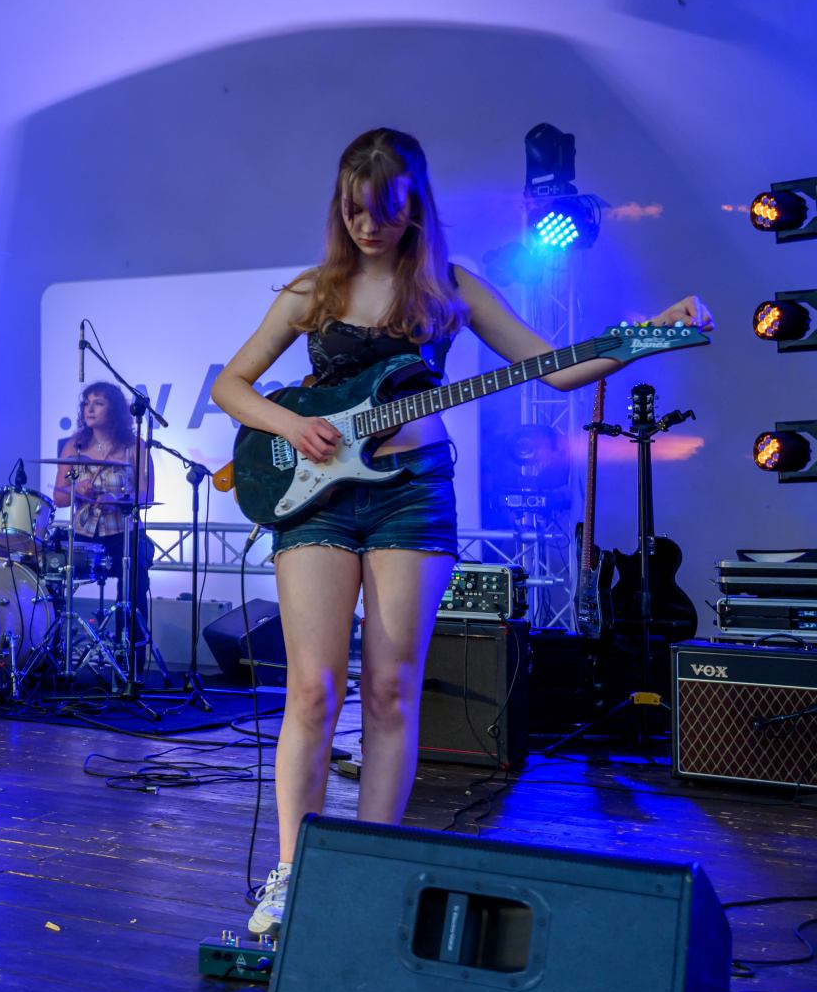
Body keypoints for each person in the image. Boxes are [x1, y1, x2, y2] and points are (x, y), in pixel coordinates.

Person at [209, 127, 713, 936]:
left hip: (412, 494)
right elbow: (231, 385)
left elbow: (557, 368)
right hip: (317, 498)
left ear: (414, 207)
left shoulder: (449, 288)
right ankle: (292, 872)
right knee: (312, 689)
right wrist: (289, 425)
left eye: (383, 211)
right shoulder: (315, 290)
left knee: (391, 689)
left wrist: (646, 334)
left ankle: (368, 866)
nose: (367, 226)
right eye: (354, 210)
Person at [50, 381, 155, 620]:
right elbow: (59, 497)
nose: (90, 409)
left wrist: (117, 500)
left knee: (136, 567)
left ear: (114, 409)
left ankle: (129, 640)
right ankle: (52, 636)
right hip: (82, 535)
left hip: (122, 535)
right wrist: (77, 490)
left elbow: (147, 495)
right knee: (50, 564)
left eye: (98, 403)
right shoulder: (73, 446)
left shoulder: (134, 447)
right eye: (86, 403)